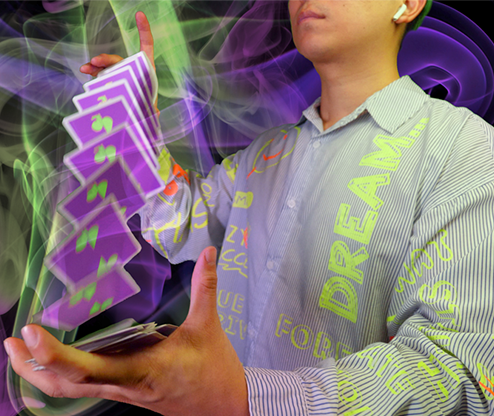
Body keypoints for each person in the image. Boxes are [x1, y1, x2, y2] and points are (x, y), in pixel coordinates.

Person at [5, 1, 494, 415]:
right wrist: (140, 125)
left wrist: (242, 397)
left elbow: (462, 375)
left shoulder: (463, 151)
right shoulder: (267, 153)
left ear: (407, 4)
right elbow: (179, 224)